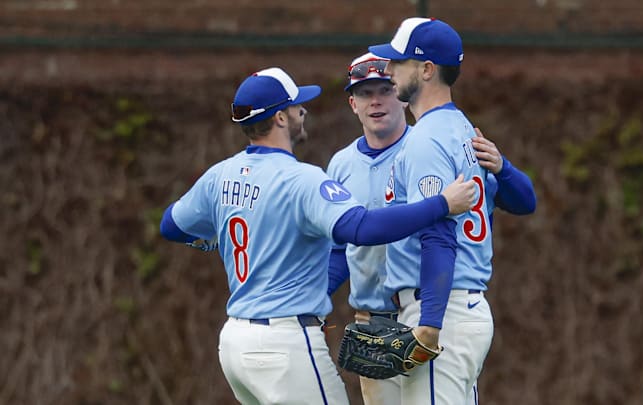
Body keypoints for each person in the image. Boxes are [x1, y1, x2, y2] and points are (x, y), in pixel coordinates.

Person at [158, 67, 477, 405]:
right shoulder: (302, 180)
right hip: (285, 346)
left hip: (236, 344)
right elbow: (362, 228)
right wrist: (441, 204)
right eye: (297, 106)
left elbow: (171, 225)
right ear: (280, 118)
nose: (303, 111)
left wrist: (211, 239)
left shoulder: (221, 175)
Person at [327, 52, 536, 405]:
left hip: (428, 311)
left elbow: (522, 202)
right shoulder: (341, 165)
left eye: (383, 88)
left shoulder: (429, 146)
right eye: (365, 92)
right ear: (352, 103)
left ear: (399, 89)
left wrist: (502, 167)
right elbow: (337, 250)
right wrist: (313, 304)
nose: (376, 100)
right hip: (375, 321)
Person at [368, 17, 501, 404]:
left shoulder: (426, 139)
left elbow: (437, 235)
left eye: (399, 61)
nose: (388, 70)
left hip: (442, 312)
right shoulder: (463, 127)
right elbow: (516, 201)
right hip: (464, 306)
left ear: (427, 70)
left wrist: (429, 325)